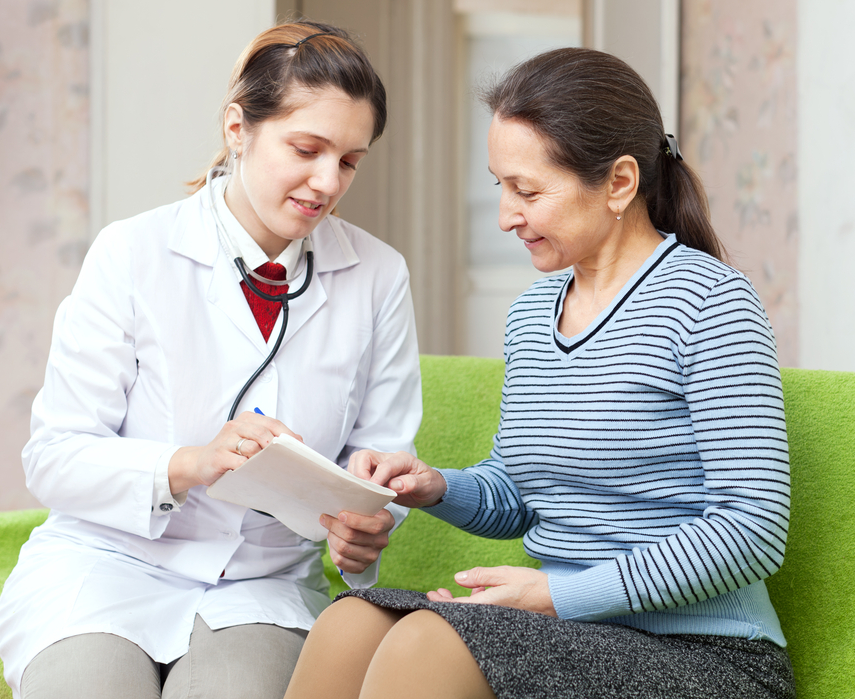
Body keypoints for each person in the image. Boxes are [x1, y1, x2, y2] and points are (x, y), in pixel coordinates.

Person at [282, 48, 796, 699]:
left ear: (619, 183)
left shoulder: (710, 303)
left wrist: (557, 595)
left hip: (706, 656)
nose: (505, 216)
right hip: (577, 633)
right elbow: (523, 497)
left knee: (428, 641)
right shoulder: (532, 315)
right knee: (350, 622)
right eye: (500, 185)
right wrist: (435, 487)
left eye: (527, 190)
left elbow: (751, 528)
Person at [0, 21, 422, 699]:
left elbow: (382, 454)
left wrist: (368, 522)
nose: (325, 182)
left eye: (348, 161)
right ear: (237, 127)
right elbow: (54, 459)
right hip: (105, 568)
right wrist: (191, 463)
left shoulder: (377, 274)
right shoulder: (133, 252)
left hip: (261, 584)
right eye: (306, 149)